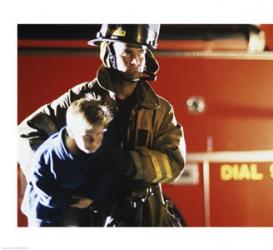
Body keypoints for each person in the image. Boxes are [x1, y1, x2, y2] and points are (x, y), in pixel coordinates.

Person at [18, 24, 186, 226]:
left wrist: (128, 162)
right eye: (127, 52)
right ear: (109, 52)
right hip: (86, 217)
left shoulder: (160, 111)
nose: (135, 60)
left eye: (141, 52)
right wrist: (54, 179)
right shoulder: (78, 100)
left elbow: (174, 164)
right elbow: (24, 134)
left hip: (140, 215)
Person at [21, 98, 114, 226]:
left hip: (84, 207)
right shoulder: (46, 155)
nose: (95, 142)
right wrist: (70, 202)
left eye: (99, 134)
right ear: (71, 132)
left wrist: (92, 196)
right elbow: (41, 186)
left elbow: (106, 171)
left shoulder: (102, 142)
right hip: (46, 211)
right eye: (87, 137)